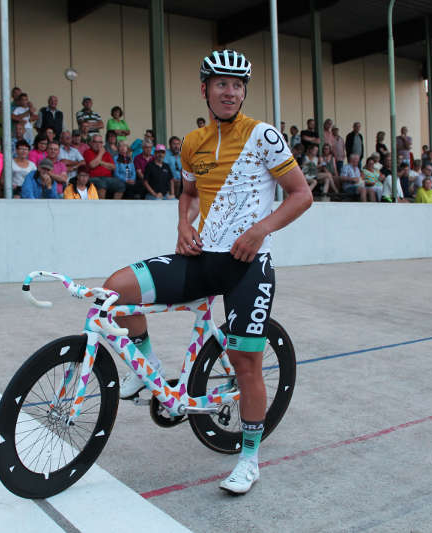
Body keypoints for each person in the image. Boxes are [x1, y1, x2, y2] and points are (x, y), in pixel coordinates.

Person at [102, 49, 312, 495]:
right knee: (116, 290)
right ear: (205, 90)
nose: (230, 92)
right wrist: (183, 224)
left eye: (237, 85)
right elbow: (189, 195)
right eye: (221, 83)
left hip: (247, 266)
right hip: (202, 258)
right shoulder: (193, 142)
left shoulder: (264, 136)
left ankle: (249, 459)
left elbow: (300, 195)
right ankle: (148, 367)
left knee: (246, 363)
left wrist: (260, 231)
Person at [84, 133, 120, 199]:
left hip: (108, 177)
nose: (98, 144)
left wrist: (99, 162)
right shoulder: (87, 152)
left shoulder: (106, 154)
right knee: (101, 184)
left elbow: (113, 167)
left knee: (120, 185)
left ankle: (115, 207)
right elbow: (92, 165)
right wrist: (100, 154)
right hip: (93, 177)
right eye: (95, 142)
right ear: (91, 143)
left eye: (100, 142)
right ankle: (101, 206)